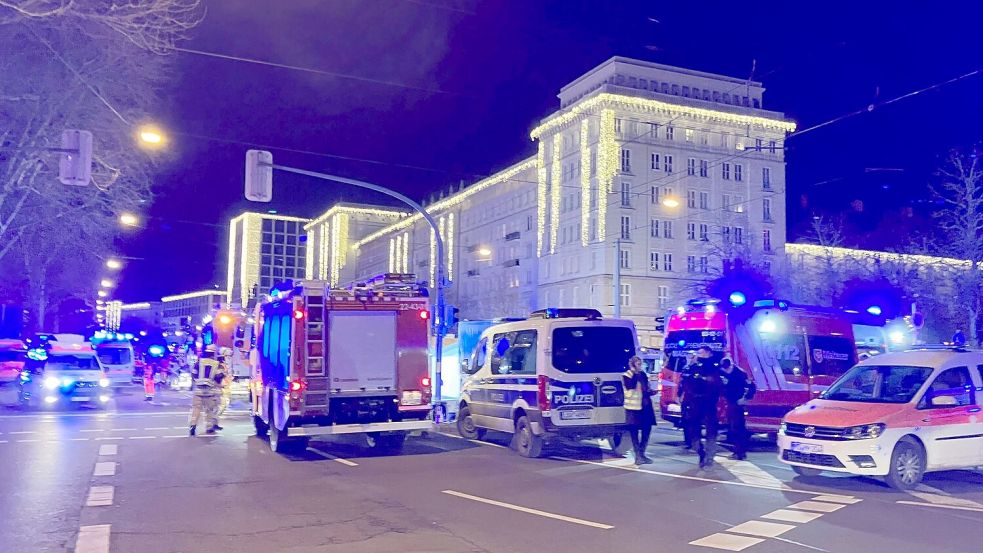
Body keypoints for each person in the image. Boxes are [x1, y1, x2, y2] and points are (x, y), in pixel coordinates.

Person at [681, 346, 723, 468]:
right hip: (695, 403)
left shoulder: (715, 368)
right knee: (694, 431)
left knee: (711, 431)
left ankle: (709, 456)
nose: (698, 354)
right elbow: (686, 384)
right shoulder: (693, 367)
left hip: (709, 403)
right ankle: (700, 451)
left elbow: (718, 386)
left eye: (701, 352)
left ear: (708, 353)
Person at [622, 355, 656, 465]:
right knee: (634, 432)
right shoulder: (627, 375)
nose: (640, 366)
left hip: (645, 406)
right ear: (632, 365)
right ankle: (637, 456)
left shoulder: (643, 375)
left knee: (647, 430)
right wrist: (635, 373)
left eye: (641, 364)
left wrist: (651, 391)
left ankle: (642, 453)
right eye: (638, 364)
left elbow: (645, 388)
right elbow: (630, 386)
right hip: (633, 408)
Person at [719, 358, 756, 460]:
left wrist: (745, 398)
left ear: (731, 365)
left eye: (727, 369)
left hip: (738, 404)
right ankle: (737, 450)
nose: (726, 371)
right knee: (732, 428)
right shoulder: (723, 372)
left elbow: (751, 387)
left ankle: (741, 452)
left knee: (738, 428)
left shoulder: (740, 374)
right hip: (730, 403)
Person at [189, 345, 224, 436]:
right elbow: (219, 377)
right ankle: (209, 428)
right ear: (213, 354)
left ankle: (193, 426)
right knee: (209, 410)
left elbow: (193, 374)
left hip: (198, 390)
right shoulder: (216, 364)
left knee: (196, 409)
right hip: (210, 391)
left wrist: (197, 382)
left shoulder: (198, 363)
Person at [679, 352, 699, 451]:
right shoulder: (686, 368)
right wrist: (680, 395)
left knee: (694, 421)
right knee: (686, 420)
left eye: (693, 357)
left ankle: (694, 441)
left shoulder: (698, 368)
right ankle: (688, 441)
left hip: (694, 398)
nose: (691, 358)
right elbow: (681, 383)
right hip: (686, 398)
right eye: (690, 357)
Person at [216, 347, 234, 419]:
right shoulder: (220, 365)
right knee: (223, 403)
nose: (229, 358)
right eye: (227, 356)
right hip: (222, 385)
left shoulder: (225, 364)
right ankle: (215, 417)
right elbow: (220, 375)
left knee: (225, 402)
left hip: (226, 385)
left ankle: (215, 417)